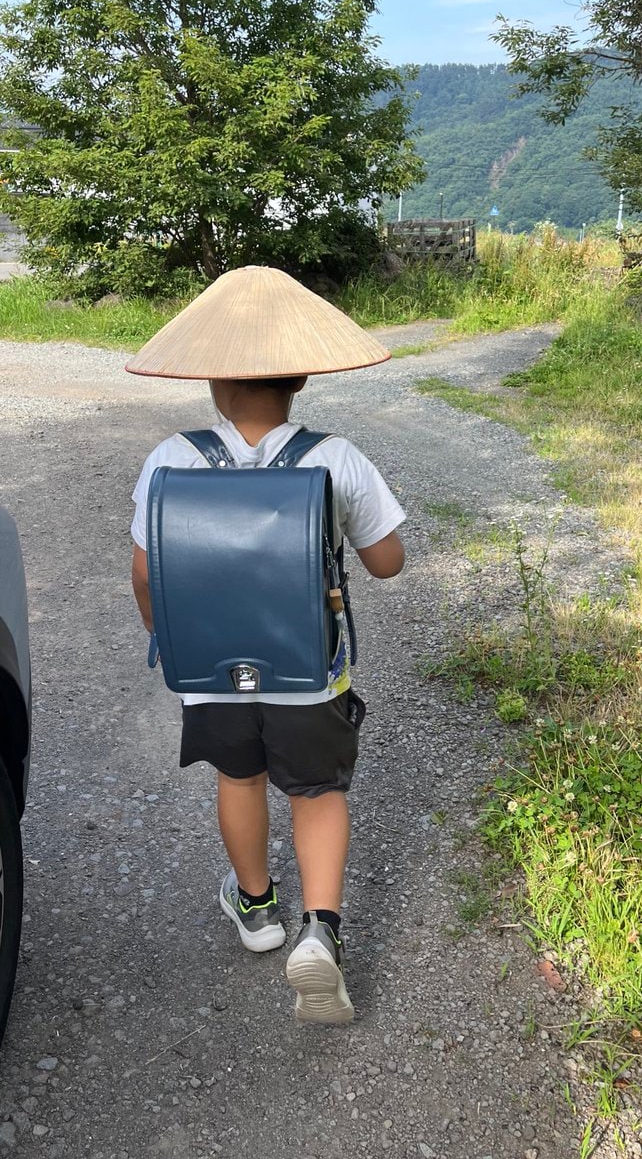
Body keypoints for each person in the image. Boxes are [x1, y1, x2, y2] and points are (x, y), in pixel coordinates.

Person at [127, 267, 405, 1023]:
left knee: (239, 779)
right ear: (303, 377)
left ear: (214, 382)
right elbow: (387, 561)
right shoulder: (336, 456)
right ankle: (320, 931)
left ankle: (256, 908)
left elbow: (146, 575)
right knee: (318, 792)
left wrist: (174, 645)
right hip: (308, 673)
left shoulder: (169, 459)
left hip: (212, 675)